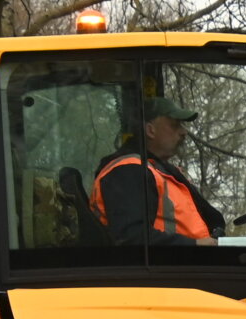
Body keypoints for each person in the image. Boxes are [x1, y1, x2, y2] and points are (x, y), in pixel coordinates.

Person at [93, 97, 226, 245]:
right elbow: (132, 238)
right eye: (175, 125)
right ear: (150, 130)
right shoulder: (127, 172)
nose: (184, 132)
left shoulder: (159, 170)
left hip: (184, 264)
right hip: (167, 266)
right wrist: (195, 245)